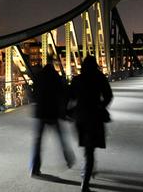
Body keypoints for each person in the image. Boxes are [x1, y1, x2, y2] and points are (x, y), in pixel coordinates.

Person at [70, 56, 113, 192]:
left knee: (87, 149)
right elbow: (109, 96)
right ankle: (85, 182)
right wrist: (101, 106)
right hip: (94, 117)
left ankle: (86, 172)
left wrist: (68, 111)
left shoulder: (77, 79)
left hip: (80, 118)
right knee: (90, 150)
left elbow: (69, 97)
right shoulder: (100, 78)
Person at [30, 57, 75, 177]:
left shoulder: (38, 77)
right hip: (54, 112)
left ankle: (34, 168)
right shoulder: (57, 78)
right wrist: (65, 111)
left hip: (41, 113)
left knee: (38, 142)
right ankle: (68, 160)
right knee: (61, 139)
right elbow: (65, 94)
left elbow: (33, 94)